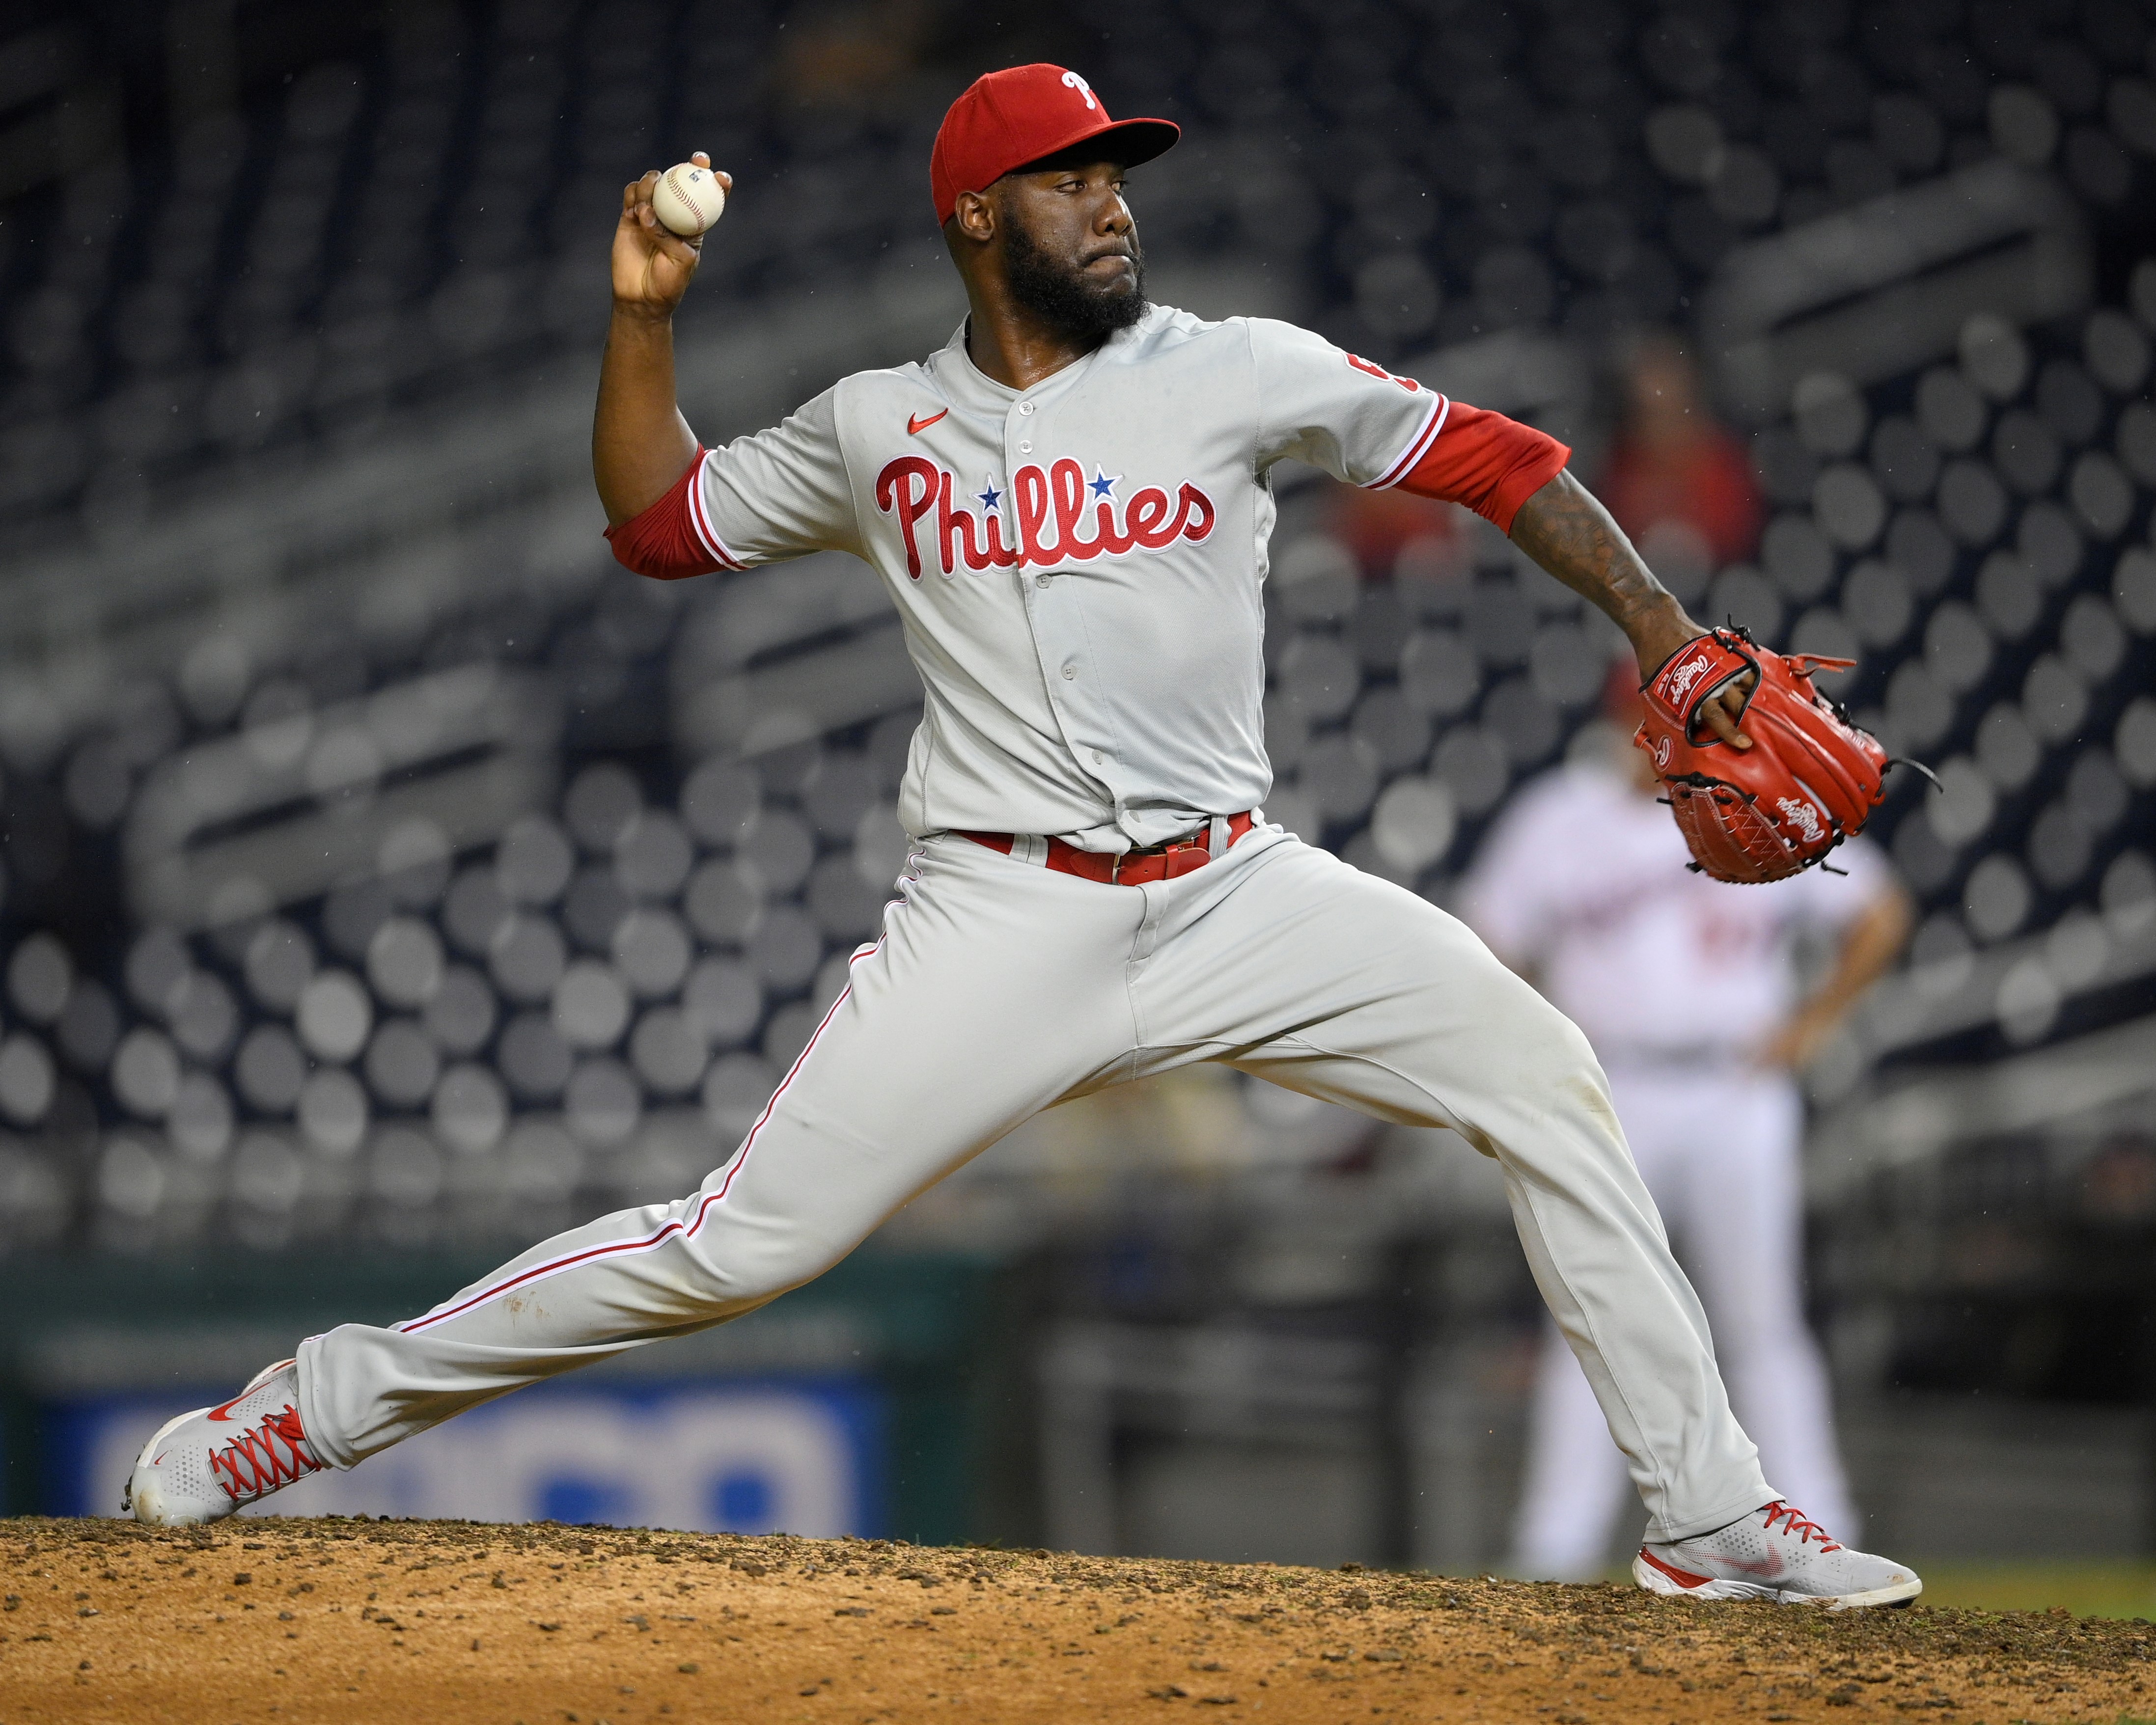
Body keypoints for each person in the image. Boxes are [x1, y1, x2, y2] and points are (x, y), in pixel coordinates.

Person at [128, 64, 1920, 1609]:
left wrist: (1664, 635)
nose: (1109, 204)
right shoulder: (874, 428)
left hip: (1234, 884)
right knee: (732, 1248)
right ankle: (303, 1410)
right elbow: (657, 524)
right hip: (998, 912)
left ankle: (1701, 1513)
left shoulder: (1234, 368)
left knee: (1539, 1071)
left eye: (1116, 175)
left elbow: (1498, 458)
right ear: (980, 216)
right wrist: (644, 309)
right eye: (1070, 179)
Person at [1459, 659, 1913, 1581]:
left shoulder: (1756, 792)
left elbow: (1879, 912)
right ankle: (1554, 1543)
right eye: (1650, 712)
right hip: (1610, 1087)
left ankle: (1821, 1524)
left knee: (1762, 1320)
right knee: (1590, 1315)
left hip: (1734, 1085)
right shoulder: (1560, 817)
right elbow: (1481, 943)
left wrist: (1809, 1025)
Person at [1601, 333, 1763, 575]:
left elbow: (1739, 535)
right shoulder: (1620, 468)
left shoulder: (1723, 461)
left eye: (1664, 379)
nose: (1657, 393)